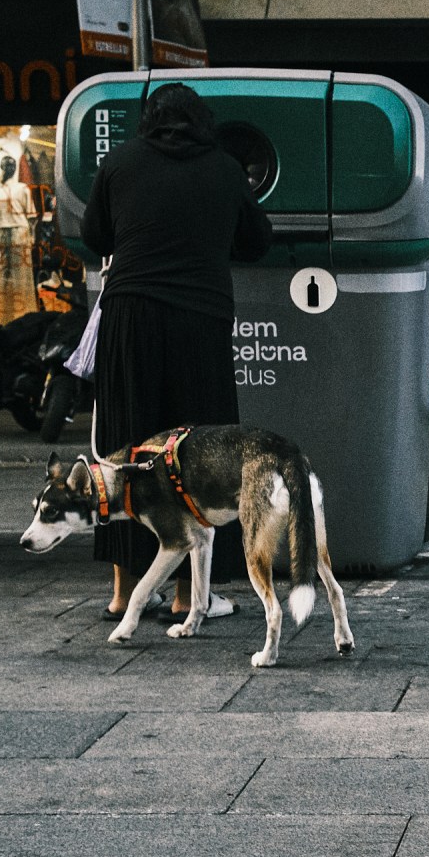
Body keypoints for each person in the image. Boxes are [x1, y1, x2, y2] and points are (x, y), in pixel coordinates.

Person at [82, 82, 271, 622]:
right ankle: (192, 596)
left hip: (131, 315)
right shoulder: (225, 168)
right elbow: (256, 240)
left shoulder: (119, 164)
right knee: (199, 451)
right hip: (199, 319)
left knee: (125, 446)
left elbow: (96, 235)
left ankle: (124, 594)